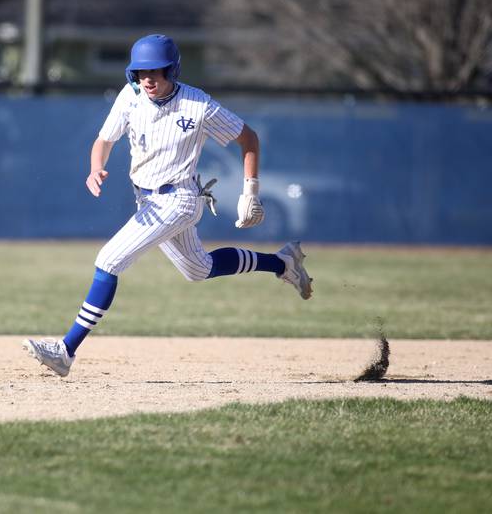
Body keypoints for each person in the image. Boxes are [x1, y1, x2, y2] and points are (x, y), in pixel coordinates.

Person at [22, 34, 313, 377]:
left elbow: (248, 138)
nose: (147, 78)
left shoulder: (198, 104)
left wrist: (250, 191)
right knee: (198, 269)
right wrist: (95, 166)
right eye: (140, 71)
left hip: (180, 199)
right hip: (147, 199)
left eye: (156, 71)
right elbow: (104, 139)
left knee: (109, 260)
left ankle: (65, 351)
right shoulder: (130, 96)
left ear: (172, 70)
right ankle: (282, 263)